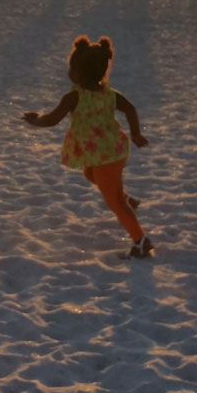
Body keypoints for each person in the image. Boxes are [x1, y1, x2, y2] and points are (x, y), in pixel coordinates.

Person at [22, 34, 152, 258]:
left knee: (114, 202)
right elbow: (130, 109)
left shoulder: (73, 97)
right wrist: (135, 134)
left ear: (76, 71)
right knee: (90, 174)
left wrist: (35, 121)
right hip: (114, 150)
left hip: (105, 156)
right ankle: (126, 199)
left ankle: (141, 241)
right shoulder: (109, 94)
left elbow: (52, 119)